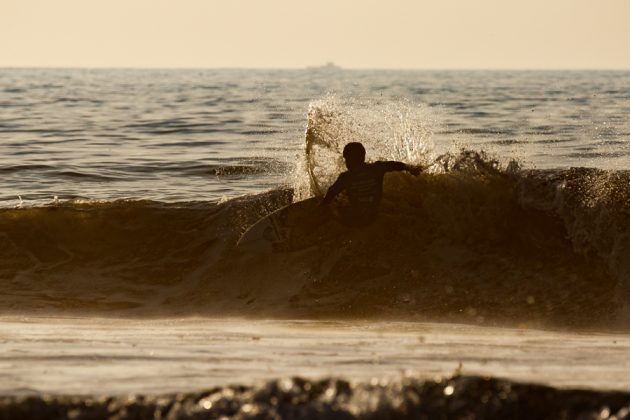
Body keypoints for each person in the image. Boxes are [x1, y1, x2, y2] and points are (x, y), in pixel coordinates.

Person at [321, 142, 421, 227]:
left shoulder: (346, 177)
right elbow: (397, 165)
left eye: (346, 159)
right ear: (363, 157)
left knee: (334, 205)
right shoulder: (377, 168)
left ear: (350, 160)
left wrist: (321, 205)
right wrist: (410, 168)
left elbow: (330, 193)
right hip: (374, 215)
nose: (345, 162)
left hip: (354, 220)